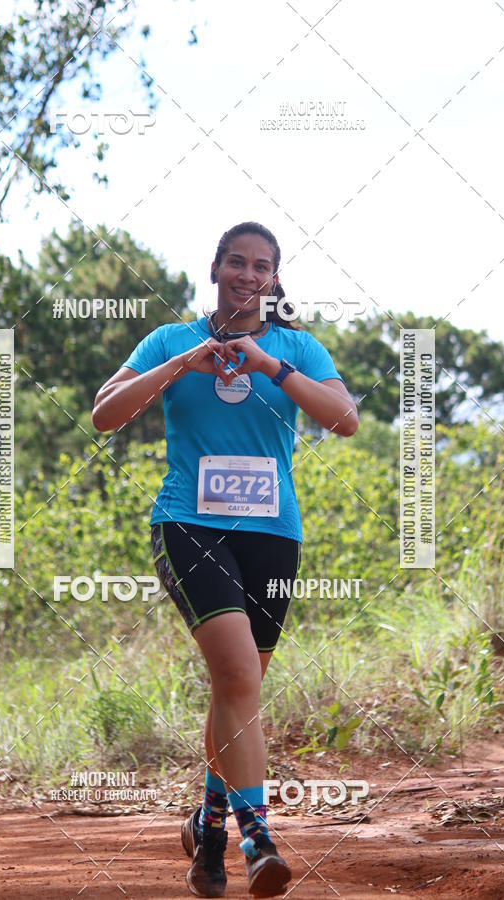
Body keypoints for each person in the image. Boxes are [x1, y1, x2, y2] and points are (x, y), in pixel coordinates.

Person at [92, 221, 358, 897]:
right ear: (214, 269)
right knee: (238, 672)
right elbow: (104, 414)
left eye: (261, 266)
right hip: (188, 523)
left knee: (238, 690)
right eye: (236, 262)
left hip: (272, 535)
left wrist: (272, 366)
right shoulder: (170, 341)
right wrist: (186, 363)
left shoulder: (296, 347)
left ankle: (208, 826)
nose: (247, 274)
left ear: (273, 279)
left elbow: (344, 417)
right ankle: (257, 839)